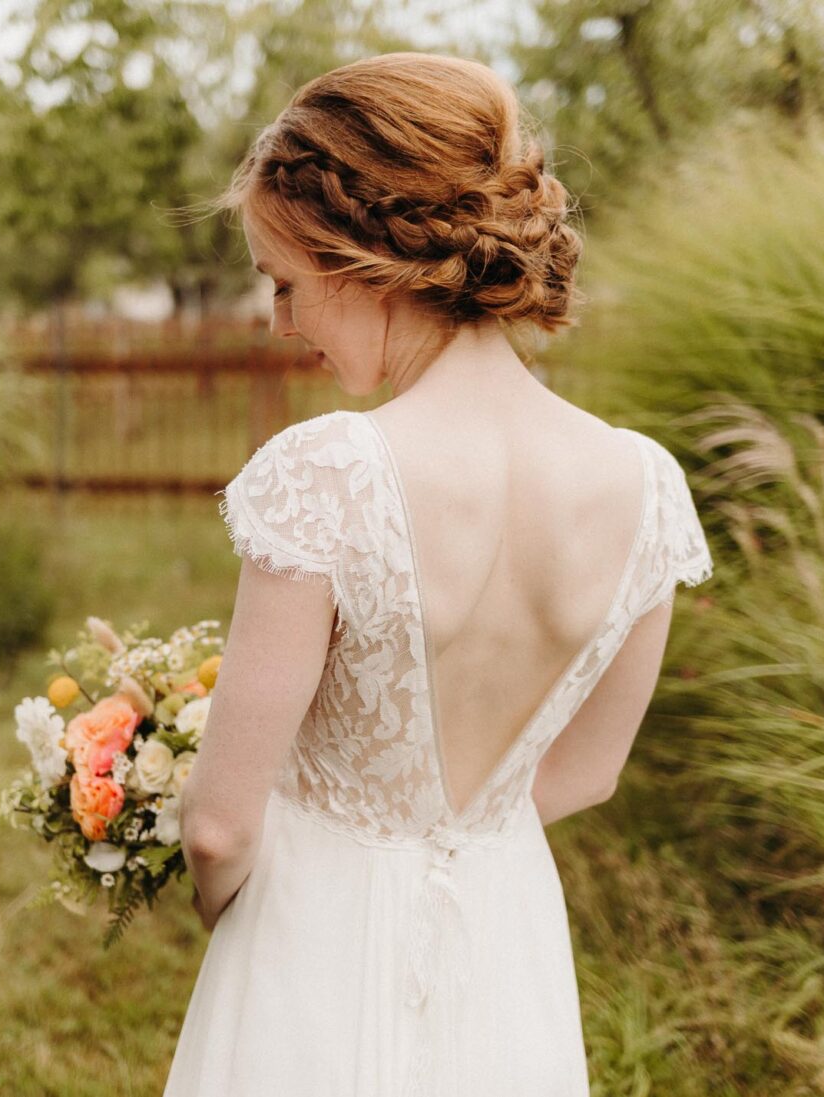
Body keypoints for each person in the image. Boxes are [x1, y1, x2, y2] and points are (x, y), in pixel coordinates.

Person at [165, 52, 714, 1096]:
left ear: (367, 257)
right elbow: (588, 771)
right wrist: (462, 840)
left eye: (286, 284)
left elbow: (219, 824)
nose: (281, 324)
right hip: (507, 941)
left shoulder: (329, 474)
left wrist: (240, 906)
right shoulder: (646, 488)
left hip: (312, 939)